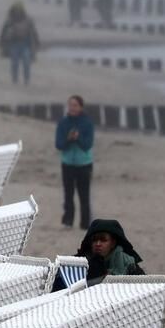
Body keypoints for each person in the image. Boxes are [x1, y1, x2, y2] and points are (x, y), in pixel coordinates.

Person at [55, 95, 94, 230]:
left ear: (81, 107)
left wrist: (77, 138)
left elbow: (87, 145)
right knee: (68, 194)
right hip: (67, 163)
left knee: (84, 195)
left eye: (75, 105)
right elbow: (59, 145)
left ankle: (85, 223)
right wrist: (69, 139)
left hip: (84, 164)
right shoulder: (63, 122)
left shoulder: (87, 123)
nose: (72, 108)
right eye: (70, 105)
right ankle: (68, 221)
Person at [76, 219, 145, 281]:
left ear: (113, 243)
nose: (98, 244)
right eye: (94, 240)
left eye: (103, 240)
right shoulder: (79, 263)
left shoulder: (129, 264)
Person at [0, 2, 40, 85]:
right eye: (16, 10)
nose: (18, 11)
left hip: (25, 44)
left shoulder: (28, 20)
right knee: (15, 63)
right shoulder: (9, 21)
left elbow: (33, 32)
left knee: (26, 62)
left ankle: (26, 80)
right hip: (14, 44)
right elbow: (3, 33)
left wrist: (36, 42)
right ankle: (15, 79)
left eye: (19, 10)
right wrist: (2, 44)